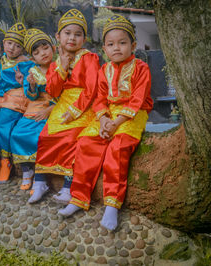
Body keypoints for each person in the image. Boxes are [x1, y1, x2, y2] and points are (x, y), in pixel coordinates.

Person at [59, 15, 153, 231]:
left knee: (117, 148)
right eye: (111, 44)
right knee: (85, 143)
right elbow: (99, 99)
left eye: (122, 43)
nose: (116, 48)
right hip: (107, 114)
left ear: (134, 45)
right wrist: (102, 120)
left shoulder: (141, 68)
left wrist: (117, 122)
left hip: (132, 114)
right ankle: (78, 197)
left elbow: (138, 99)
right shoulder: (104, 70)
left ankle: (112, 205)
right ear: (104, 49)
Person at [29, 9, 100, 204]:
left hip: (84, 104)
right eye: (67, 33)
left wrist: (75, 111)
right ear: (58, 36)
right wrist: (62, 66)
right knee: (45, 136)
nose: (72, 38)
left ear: (84, 39)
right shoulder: (55, 64)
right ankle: (40, 182)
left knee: (71, 138)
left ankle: (69, 187)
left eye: (78, 34)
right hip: (62, 103)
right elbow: (52, 91)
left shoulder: (89, 58)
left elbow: (92, 88)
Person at [0, 22, 35, 184]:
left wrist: (22, 83)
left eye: (17, 46)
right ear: (3, 43)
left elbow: (31, 85)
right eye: (9, 43)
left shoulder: (26, 63)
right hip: (2, 96)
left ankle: (6, 162)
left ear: (23, 49)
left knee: (4, 121)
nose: (12, 48)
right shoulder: (2, 60)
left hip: (18, 96)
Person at [10, 28, 56, 190]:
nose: (42, 53)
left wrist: (50, 110)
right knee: (17, 133)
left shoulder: (59, 68)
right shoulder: (32, 72)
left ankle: (40, 175)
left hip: (53, 106)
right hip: (34, 106)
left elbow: (65, 93)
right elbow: (30, 96)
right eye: (37, 52)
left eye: (45, 48)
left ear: (53, 49)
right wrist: (31, 85)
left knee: (39, 136)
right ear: (32, 58)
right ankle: (26, 170)